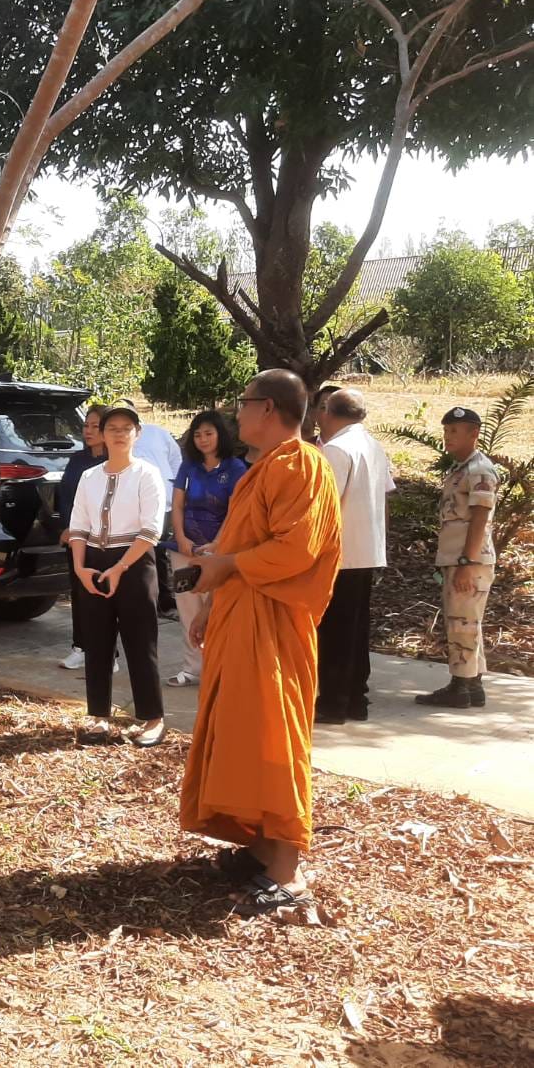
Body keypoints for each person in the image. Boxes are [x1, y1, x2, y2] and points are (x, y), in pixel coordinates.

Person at [178, 369, 341, 915]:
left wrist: (226, 566)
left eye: (242, 402)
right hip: (239, 613)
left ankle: (287, 870)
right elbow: (239, 544)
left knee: (273, 734)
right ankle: (258, 844)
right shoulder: (261, 468)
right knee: (242, 730)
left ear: (267, 408)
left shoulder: (302, 464)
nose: (235, 413)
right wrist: (209, 597)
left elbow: (296, 550)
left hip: (273, 622)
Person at [67, 402, 168, 747]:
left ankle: (152, 718)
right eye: (113, 428)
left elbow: (151, 530)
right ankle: (98, 715)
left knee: (141, 642)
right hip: (94, 562)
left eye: (127, 428)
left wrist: (120, 567)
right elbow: (78, 525)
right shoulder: (89, 477)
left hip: (135, 563)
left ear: (137, 433)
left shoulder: (146, 474)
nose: (120, 434)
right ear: (102, 434)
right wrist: (81, 568)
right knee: (97, 642)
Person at [315, 389, 395, 724]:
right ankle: (356, 700)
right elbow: (387, 496)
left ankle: (333, 702)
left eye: (322, 409)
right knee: (357, 629)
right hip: (367, 549)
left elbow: (325, 504)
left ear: (330, 412)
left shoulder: (336, 449)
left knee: (334, 631)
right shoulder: (374, 446)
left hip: (340, 553)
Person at [415, 406, 498, 710]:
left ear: (474, 434)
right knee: (466, 622)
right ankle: (472, 685)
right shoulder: (462, 469)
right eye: (446, 430)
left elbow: (479, 519)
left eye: (454, 431)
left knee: (461, 623)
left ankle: (459, 686)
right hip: (459, 559)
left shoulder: (479, 471)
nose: (447, 436)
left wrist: (466, 563)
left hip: (469, 561)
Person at [165, 411, 248, 687]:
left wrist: (218, 543)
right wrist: (181, 537)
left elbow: (235, 511)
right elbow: (178, 505)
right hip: (184, 549)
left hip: (219, 552)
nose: (203, 440)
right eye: (198, 434)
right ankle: (192, 668)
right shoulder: (188, 467)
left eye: (208, 433)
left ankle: (219, 668)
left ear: (220, 435)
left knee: (216, 609)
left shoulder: (236, 468)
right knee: (188, 607)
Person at [58, 404, 107, 670]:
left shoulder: (114, 462)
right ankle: (80, 647)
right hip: (77, 539)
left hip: (104, 539)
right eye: (86, 425)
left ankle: (108, 654)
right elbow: (66, 497)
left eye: (95, 426)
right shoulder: (77, 460)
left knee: (103, 594)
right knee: (79, 592)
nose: (88, 431)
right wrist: (69, 528)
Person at [128, 402, 183, 619]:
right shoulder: (119, 437)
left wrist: (173, 485)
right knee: (140, 553)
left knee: (158, 552)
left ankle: (164, 601)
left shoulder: (158, 433)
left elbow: (176, 458)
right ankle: (143, 599)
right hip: (133, 506)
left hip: (165, 504)